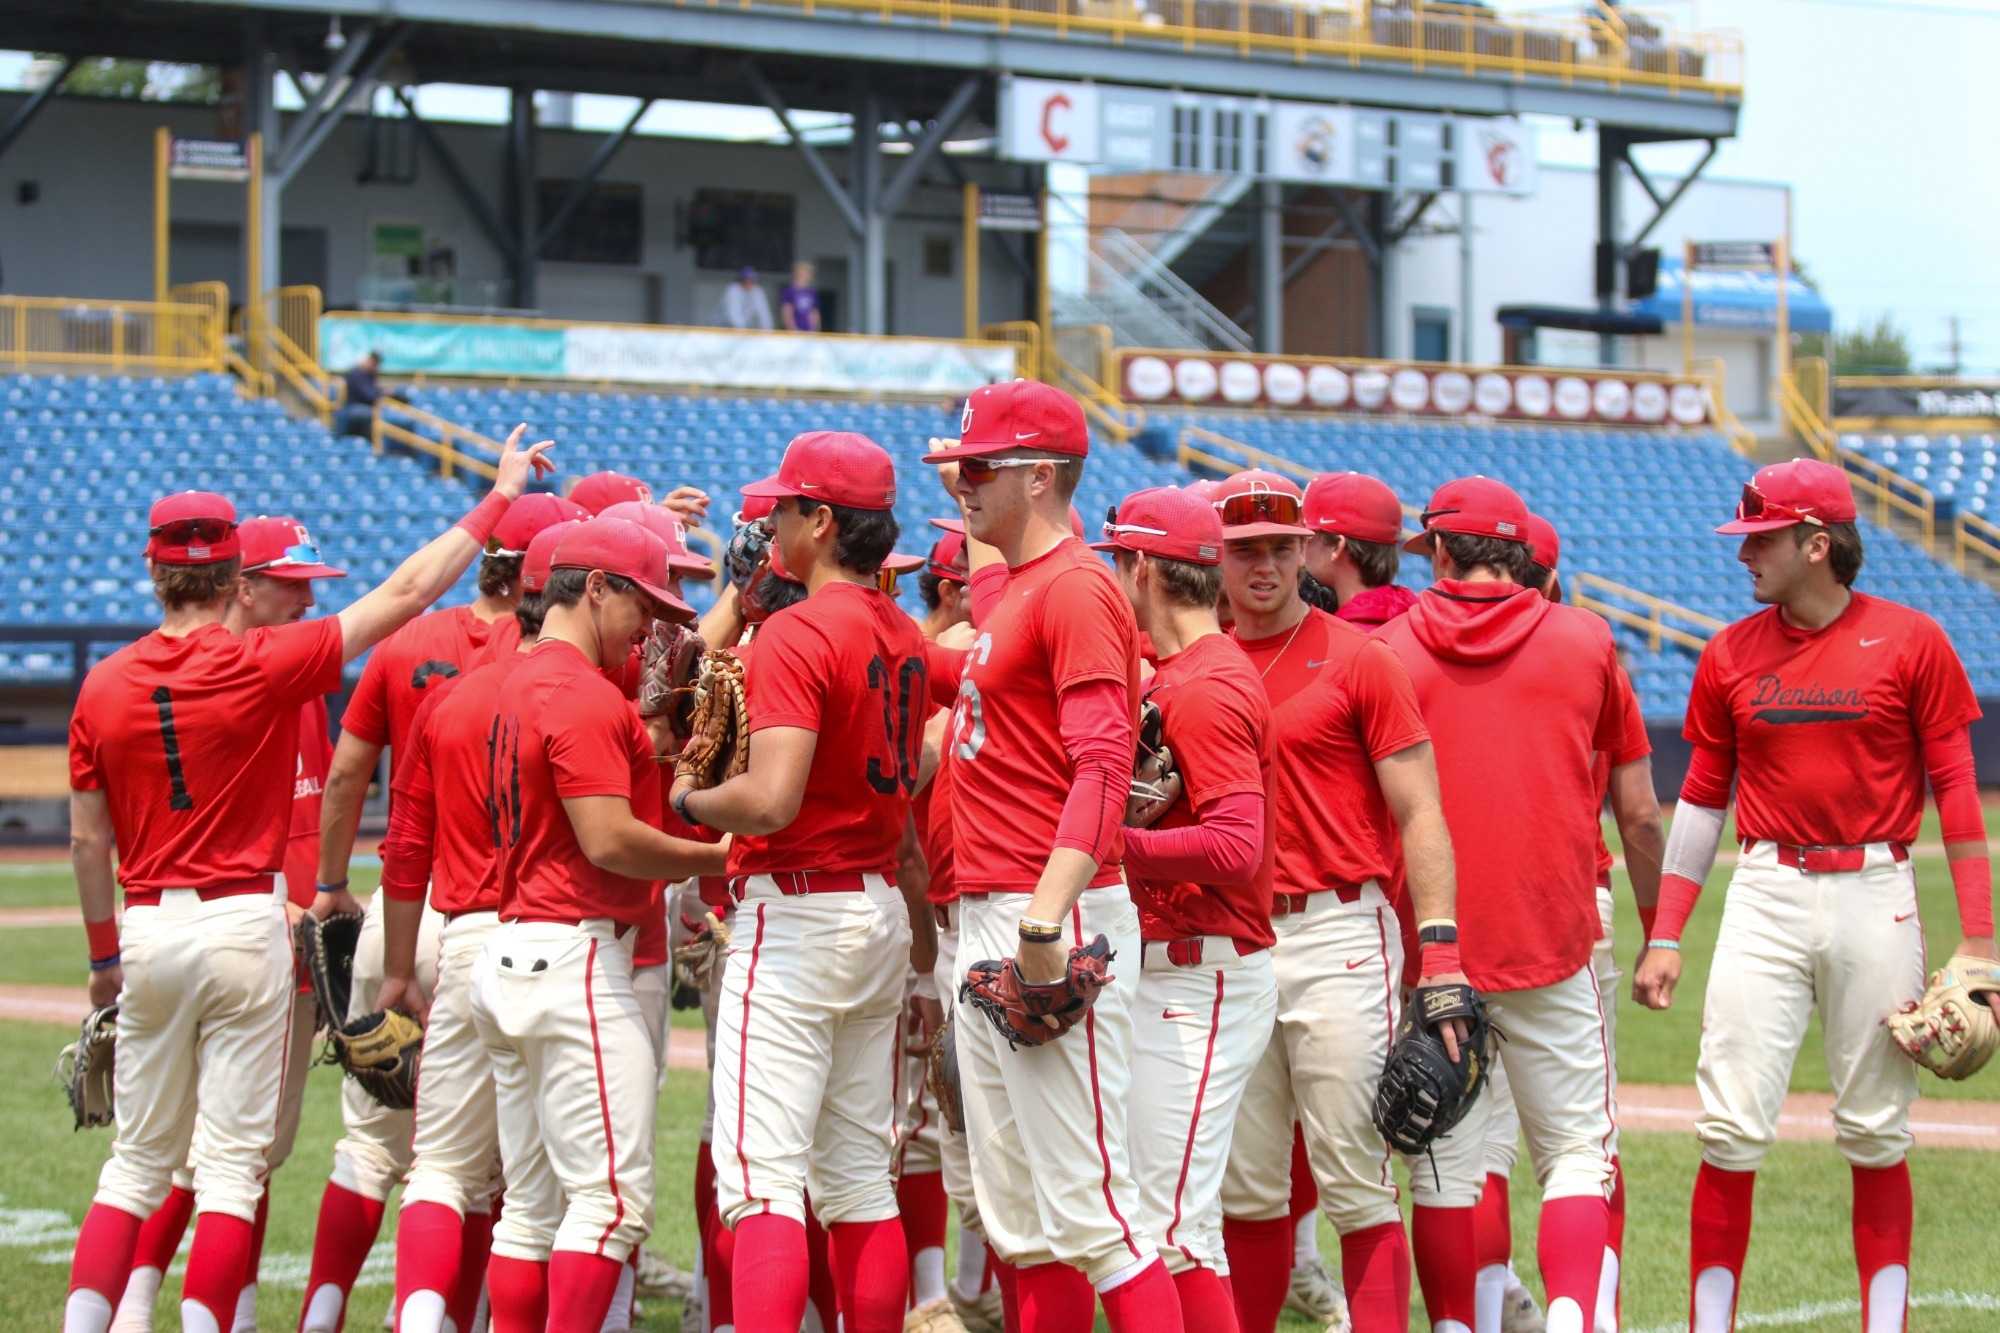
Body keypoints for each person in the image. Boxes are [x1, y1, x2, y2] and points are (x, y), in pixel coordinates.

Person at [63, 430, 554, 1333]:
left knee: (133, 1167)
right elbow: (407, 592)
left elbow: (87, 841)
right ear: (234, 581)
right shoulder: (263, 662)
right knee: (229, 1171)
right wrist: (497, 498)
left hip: (145, 925)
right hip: (247, 919)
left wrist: (102, 958)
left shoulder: (100, 683)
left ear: (154, 571)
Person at [1631, 458, 2000, 1333]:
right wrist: (1667, 931)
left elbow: (1957, 796)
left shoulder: (1912, 640)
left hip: (1878, 889)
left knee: (1876, 1128)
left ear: (1818, 542)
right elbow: (1705, 800)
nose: (1744, 554)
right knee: (1727, 1127)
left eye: (1761, 537)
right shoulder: (1729, 651)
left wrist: (1980, 939)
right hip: (1765, 892)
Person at [919, 378, 1183, 1332]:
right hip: (993, 905)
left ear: (1040, 475)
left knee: (1095, 1215)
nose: (961, 483)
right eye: (958, 466)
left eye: (978, 466)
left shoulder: (1073, 585)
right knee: (1023, 1218)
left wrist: (1042, 914)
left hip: (1050, 907)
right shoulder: (1023, 584)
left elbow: (1106, 766)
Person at [298, 487, 583, 1333]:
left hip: (409, 905)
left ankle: (325, 1312)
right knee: (492, 1167)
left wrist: (325, 884)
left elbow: (350, 775)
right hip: (514, 915)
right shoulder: (556, 664)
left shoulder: (411, 642)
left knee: (373, 1149)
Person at [668, 431, 932, 1333]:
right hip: (876, 903)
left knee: (764, 1180)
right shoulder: (905, 630)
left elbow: (772, 799)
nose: (772, 522)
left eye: (786, 507)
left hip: (797, 911)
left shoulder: (795, 628)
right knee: (859, 1176)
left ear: (822, 521)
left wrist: (693, 797)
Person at [1205, 469, 1461, 1333]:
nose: (1266, 565)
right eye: (1246, 550)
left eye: (1282, 546)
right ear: (1218, 555)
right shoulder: (1192, 661)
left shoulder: (1360, 657)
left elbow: (1421, 808)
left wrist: (1444, 952)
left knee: (1354, 1175)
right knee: (1244, 1186)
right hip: (1228, 938)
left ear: (1310, 547)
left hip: (1336, 928)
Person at [1377, 477, 1624, 1333]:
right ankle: (1565, 1315)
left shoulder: (1392, 649)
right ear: (1522, 556)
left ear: (1441, 551)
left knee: (1444, 1162)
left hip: (1433, 946)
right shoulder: (1587, 638)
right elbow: (1635, 803)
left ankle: (1456, 1326)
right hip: (1553, 934)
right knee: (1575, 1153)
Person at [471, 516, 723, 1331]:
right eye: (640, 604)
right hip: (575, 954)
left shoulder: (517, 678)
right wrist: (723, 856)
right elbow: (609, 840)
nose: (650, 630)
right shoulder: (578, 690)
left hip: (516, 947)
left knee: (531, 1212)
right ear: (597, 587)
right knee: (610, 1206)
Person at [107, 516, 348, 1333]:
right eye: (292, 582)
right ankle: (141, 1301)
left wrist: (322, 900)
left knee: (245, 1151)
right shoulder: (232, 674)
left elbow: (310, 804)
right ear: (241, 583)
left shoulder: (295, 674)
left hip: (282, 930)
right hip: (241, 923)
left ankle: (222, 1310)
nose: (307, 599)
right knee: (206, 1157)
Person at [379, 516, 576, 1333]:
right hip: (554, 938)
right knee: (539, 1190)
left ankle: (422, 1323)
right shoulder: (582, 694)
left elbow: (404, 845)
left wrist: (395, 971)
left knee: (439, 1170)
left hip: (458, 935)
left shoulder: (452, 696)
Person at [1098, 486, 1280, 1331]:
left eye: (1114, 562)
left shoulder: (1204, 685)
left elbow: (1239, 848)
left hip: (1200, 975)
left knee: (1169, 1231)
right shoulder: (1182, 673)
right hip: (1174, 970)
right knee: (1164, 1220)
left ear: (1141, 568)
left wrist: (1113, 845)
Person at [1298, 471, 1416, 630]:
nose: (1300, 549)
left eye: (1307, 539)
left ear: (1336, 547)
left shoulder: (1346, 638)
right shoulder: (1415, 618)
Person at [337, 351, 381, 437]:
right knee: (379, 414)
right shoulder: (356, 374)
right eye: (371, 362)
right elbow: (369, 395)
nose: (373, 366)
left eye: (375, 364)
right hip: (353, 406)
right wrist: (382, 397)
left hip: (364, 406)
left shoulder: (369, 375)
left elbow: (374, 391)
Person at [720, 267, 774, 331]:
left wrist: (768, 330)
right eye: (748, 280)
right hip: (722, 327)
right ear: (742, 280)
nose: (750, 283)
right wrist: (742, 330)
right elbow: (733, 315)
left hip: (742, 329)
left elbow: (764, 312)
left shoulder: (757, 291)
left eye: (752, 281)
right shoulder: (733, 290)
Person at [781, 261, 823, 333]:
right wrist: (792, 328)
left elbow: (814, 312)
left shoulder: (811, 293)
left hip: (809, 331)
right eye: (807, 274)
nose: (809, 277)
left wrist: (815, 329)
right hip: (796, 330)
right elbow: (787, 311)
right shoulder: (790, 291)